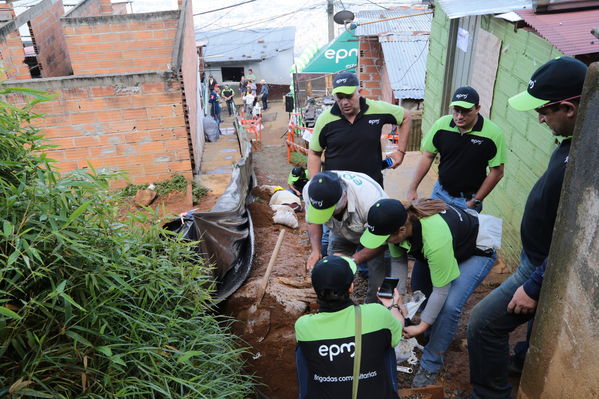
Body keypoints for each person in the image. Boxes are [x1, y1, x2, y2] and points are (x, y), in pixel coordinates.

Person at [466, 56, 588, 399]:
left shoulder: (589, 160)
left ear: (567, 108)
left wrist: (534, 285)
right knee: (539, 325)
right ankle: (522, 359)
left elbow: (575, 240)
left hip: (542, 268)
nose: (540, 118)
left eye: (544, 112)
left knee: (483, 324)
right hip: (536, 260)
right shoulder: (573, 140)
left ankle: (489, 394)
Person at [360, 198, 497, 388]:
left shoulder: (434, 239)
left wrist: (422, 325)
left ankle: (431, 363)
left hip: (475, 249)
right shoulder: (396, 224)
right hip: (449, 245)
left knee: (449, 306)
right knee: (419, 285)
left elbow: (441, 290)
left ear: (401, 231)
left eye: (384, 239)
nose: (381, 243)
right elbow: (399, 262)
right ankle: (434, 330)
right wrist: (397, 298)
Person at [295, 255, 404, 398]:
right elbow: (399, 328)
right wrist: (393, 306)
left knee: (302, 351)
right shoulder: (377, 314)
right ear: (351, 287)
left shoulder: (303, 325)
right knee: (388, 338)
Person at [408, 87, 506, 212]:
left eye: (466, 111)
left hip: (468, 200)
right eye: (456, 111)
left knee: (460, 232)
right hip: (439, 194)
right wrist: (412, 188)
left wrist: (475, 201)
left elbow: (497, 172)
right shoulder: (441, 125)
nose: (459, 116)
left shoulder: (494, 134)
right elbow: (428, 156)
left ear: (477, 109)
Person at [308, 72, 411, 188]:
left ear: (359, 92)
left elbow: (406, 116)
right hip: (337, 189)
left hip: (371, 185)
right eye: (340, 97)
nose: (345, 102)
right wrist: (314, 187)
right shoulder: (325, 119)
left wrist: (401, 152)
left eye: (349, 96)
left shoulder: (377, 109)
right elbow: (314, 153)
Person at [303, 170, 390, 303]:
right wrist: (316, 250)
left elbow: (382, 242)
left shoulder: (371, 202)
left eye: (329, 211)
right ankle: (338, 305)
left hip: (372, 232)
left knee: (378, 275)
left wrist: (353, 260)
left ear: (344, 197)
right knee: (334, 269)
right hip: (341, 231)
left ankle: (374, 306)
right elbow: (313, 221)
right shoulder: (311, 191)